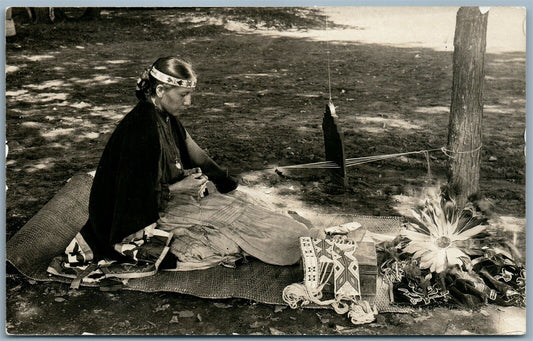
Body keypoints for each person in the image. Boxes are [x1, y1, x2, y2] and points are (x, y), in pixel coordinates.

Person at [51, 57, 309, 281]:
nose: (188, 103)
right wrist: (177, 188)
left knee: (244, 208)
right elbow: (128, 196)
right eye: (183, 95)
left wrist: (225, 182)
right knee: (254, 229)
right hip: (133, 220)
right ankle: (302, 243)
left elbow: (193, 153)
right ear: (161, 90)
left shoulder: (162, 117)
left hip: (163, 202)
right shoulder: (141, 129)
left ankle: (302, 239)